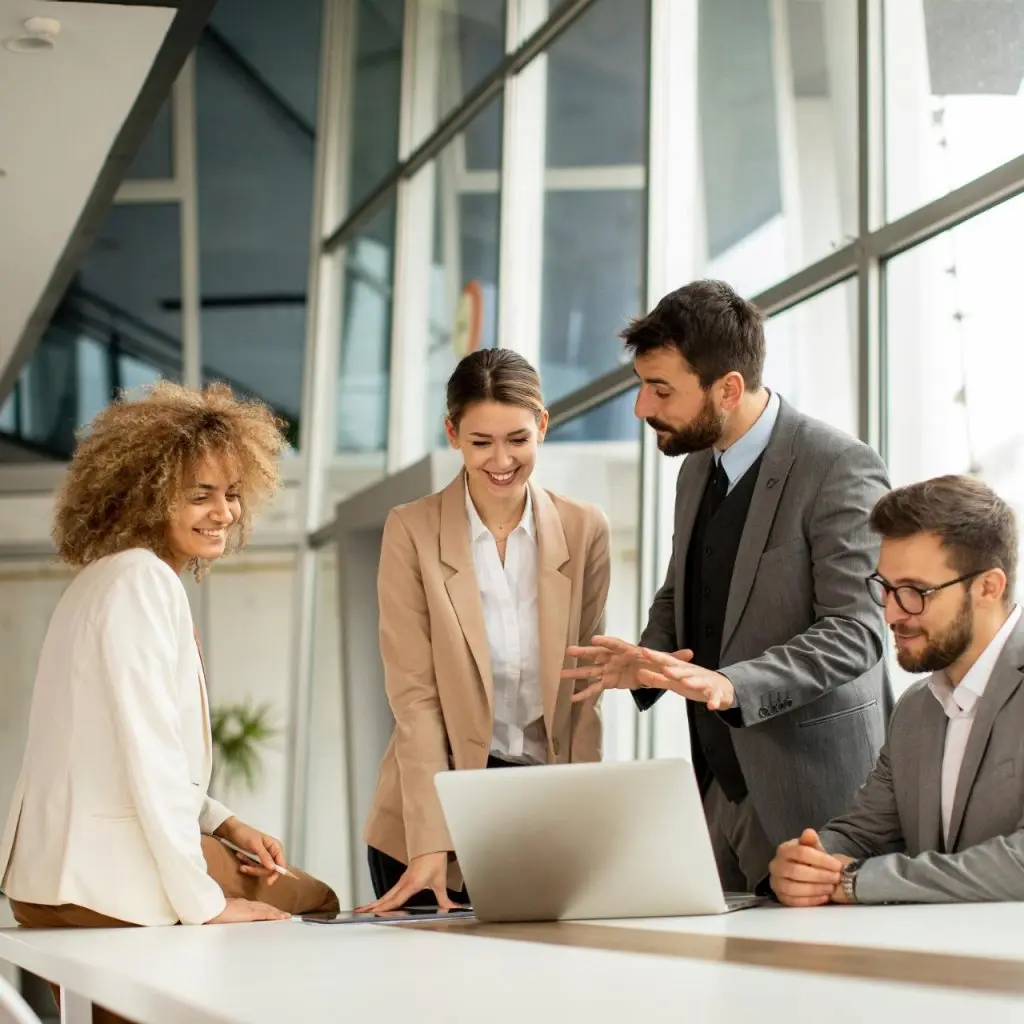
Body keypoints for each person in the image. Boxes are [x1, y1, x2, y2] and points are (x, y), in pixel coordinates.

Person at [0, 383, 338, 1022]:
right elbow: (150, 756)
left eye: (232, 493)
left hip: (47, 881)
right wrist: (207, 904)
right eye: (199, 495)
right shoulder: (142, 582)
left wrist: (221, 820)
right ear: (147, 496)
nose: (224, 513)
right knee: (314, 899)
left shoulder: (101, 579)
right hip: (100, 882)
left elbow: (116, 744)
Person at [564, 279, 891, 891]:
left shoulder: (838, 466)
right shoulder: (695, 468)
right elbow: (683, 586)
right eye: (642, 386)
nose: (641, 408)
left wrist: (730, 684)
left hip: (817, 796)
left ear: (729, 388)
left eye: (660, 390)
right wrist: (646, 657)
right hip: (717, 786)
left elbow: (858, 631)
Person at [360, 348, 610, 912]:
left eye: (518, 439)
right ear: (452, 433)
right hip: (431, 815)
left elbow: (584, 691)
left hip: (541, 810)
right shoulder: (412, 531)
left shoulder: (584, 528)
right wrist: (430, 843)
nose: (502, 460)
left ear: (542, 425)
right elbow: (415, 700)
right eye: (481, 442)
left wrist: (587, 826)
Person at [769, 476, 1024, 906]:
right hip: (932, 961)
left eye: (913, 592)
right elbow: (861, 831)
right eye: (885, 588)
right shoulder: (916, 709)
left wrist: (857, 882)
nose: (890, 613)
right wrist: (806, 863)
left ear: (988, 587)